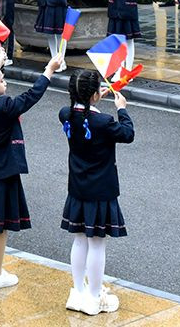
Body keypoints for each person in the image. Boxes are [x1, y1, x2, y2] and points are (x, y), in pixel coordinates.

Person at [0, 45, 56, 290]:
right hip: (2, 171)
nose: (6, 84)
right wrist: (48, 71)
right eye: (2, 80)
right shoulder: (2, 107)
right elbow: (30, 97)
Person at [59, 68, 135, 317]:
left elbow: (82, 112)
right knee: (97, 243)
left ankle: (78, 292)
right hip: (101, 189)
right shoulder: (103, 122)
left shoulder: (65, 114)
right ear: (94, 95)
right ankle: (93, 298)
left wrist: (92, 99)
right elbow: (127, 134)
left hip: (78, 186)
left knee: (79, 239)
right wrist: (122, 108)